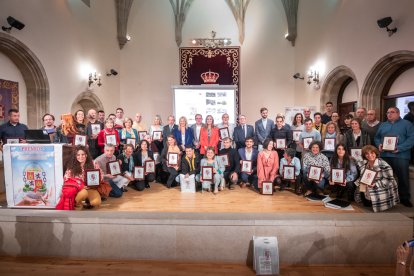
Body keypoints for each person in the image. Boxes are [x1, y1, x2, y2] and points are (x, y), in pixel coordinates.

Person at [375, 107, 414, 207]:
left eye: (392, 112)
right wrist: (379, 144)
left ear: (398, 113)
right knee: (385, 177)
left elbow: (411, 139)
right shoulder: (383, 125)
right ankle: (387, 197)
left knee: (403, 178)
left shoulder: (407, 124)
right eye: (387, 112)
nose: (389, 114)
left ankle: (404, 198)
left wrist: (399, 148)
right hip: (385, 155)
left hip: (400, 156)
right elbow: (377, 137)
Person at [354, 145, 399, 212]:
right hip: (367, 185)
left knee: (374, 205)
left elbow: (390, 179)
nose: (370, 155)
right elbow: (358, 162)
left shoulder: (383, 164)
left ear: (376, 153)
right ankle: (368, 198)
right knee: (365, 204)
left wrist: (376, 184)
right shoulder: (365, 163)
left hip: (381, 186)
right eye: (367, 154)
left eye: (372, 153)